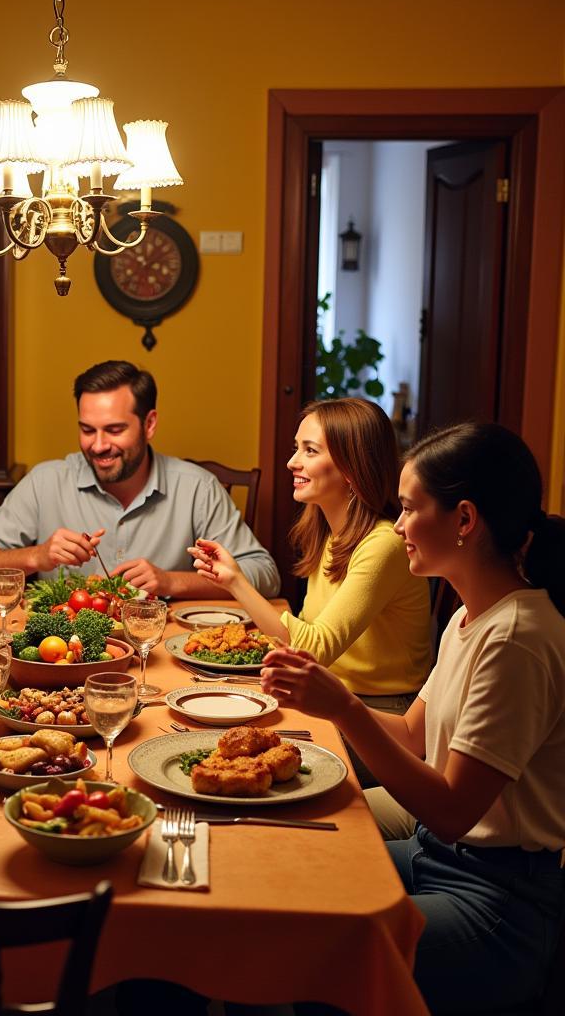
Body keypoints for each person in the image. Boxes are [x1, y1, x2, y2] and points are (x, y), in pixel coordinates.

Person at [260, 422, 565, 1014]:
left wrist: (343, 706)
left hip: (498, 900)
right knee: (286, 876)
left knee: (323, 948)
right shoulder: (468, 618)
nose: (397, 526)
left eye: (407, 509)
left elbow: (452, 810)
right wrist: (328, 707)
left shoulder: (519, 638)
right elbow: (410, 733)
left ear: (464, 520)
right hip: (438, 858)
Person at [0, 360, 280, 598]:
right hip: (64, 655)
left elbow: (264, 575)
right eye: (87, 429)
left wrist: (170, 582)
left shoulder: (197, 488)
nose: (99, 445)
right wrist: (36, 556)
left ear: (149, 425)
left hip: (161, 651)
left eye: (115, 430)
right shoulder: (45, 482)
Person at [190, 398, 431, 714]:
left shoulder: (383, 545)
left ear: (351, 467)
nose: (292, 462)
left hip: (379, 713)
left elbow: (311, 649)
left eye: (310, 450)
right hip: (330, 695)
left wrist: (236, 582)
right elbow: (306, 628)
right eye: (296, 448)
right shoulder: (330, 533)